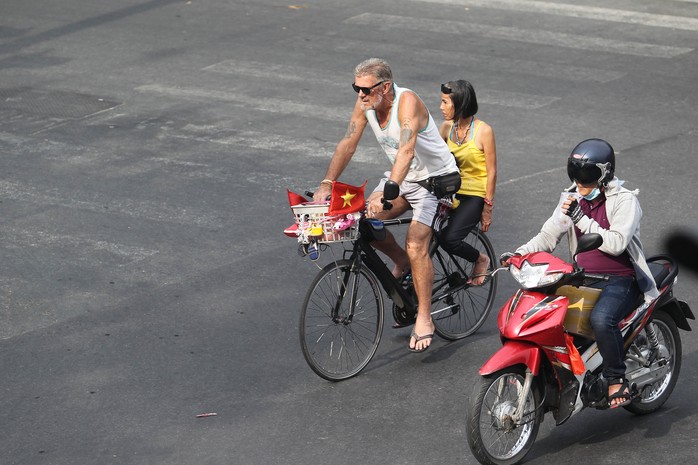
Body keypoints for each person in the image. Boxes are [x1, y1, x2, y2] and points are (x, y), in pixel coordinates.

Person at [313, 58, 459, 353]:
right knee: (363, 223)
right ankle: (400, 261)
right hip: (403, 179)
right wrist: (328, 183)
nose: (361, 95)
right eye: (356, 88)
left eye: (366, 89)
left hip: (436, 180)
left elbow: (406, 150)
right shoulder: (366, 105)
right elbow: (348, 142)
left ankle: (424, 316)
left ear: (386, 87)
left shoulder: (407, 103)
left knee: (417, 243)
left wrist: (388, 190)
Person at [503, 138, 659, 408]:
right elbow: (548, 235)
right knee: (544, 315)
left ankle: (615, 379)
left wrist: (581, 219)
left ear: (603, 176)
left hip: (622, 279)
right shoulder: (572, 197)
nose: (580, 188)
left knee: (601, 320)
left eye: (585, 183)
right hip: (583, 277)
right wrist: (519, 253)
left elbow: (617, 243)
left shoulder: (625, 201)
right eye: (577, 182)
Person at [438, 80, 497, 285]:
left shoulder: (483, 131)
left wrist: (487, 208)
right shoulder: (446, 128)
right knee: (420, 235)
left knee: (449, 239)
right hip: (450, 191)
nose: (441, 107)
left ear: (460, 103)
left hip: (474, 194)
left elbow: (492, 171)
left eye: (445, 103)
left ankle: (480, 259)